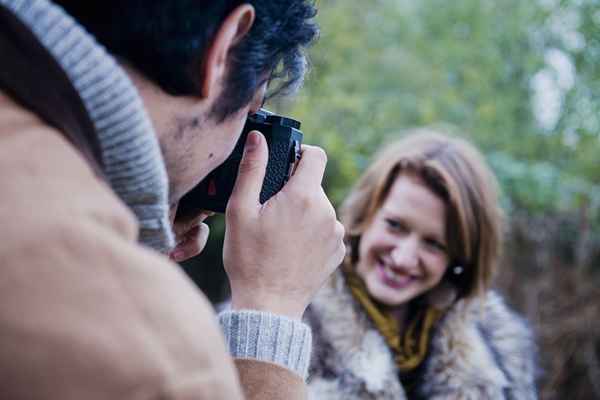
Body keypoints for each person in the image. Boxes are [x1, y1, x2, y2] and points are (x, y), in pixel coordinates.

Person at [0, 0, 345, 399]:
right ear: (224, 50)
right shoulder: (159, 359)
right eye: (253, 105)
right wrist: (272, 305)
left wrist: (131, 230)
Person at [306, 131, 538, 399]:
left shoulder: (501, 348)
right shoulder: (294, 316)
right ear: (366, 214)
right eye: (395, 225)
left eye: (434, 244)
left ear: (459, 258)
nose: (403, 259)